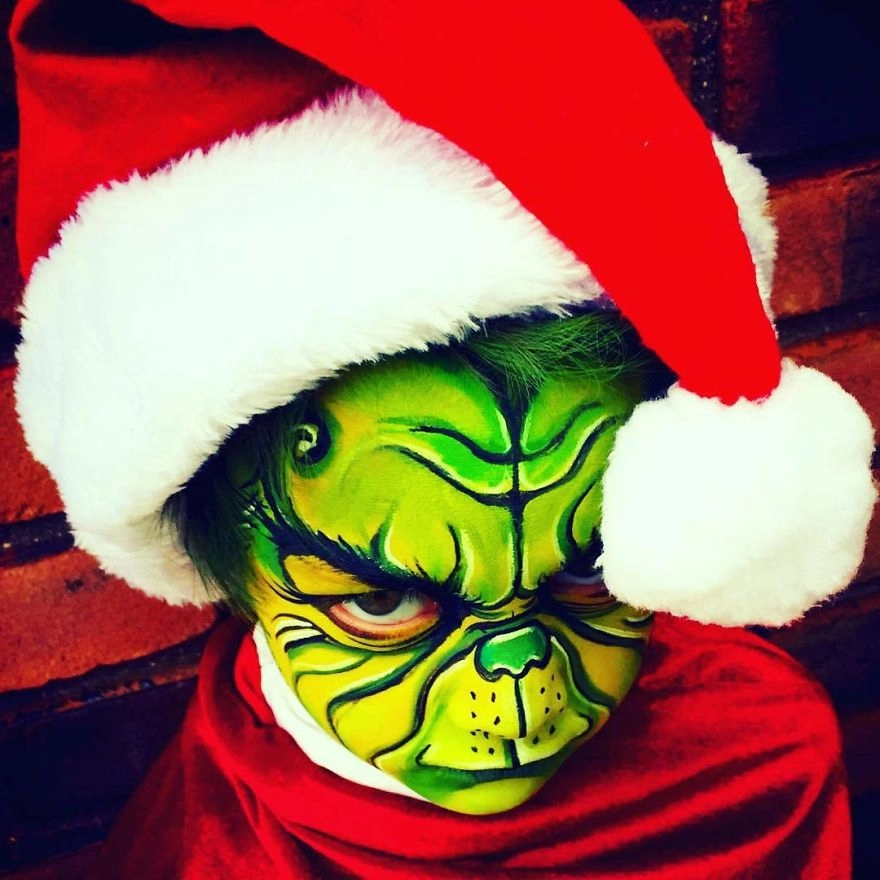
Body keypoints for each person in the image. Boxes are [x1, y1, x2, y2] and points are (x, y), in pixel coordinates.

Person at [11, 1, 875, 876]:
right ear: (222, 564)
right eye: (384, 602)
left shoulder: (760, 761)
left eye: (589, 569)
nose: (524, 699)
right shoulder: (217, 850)